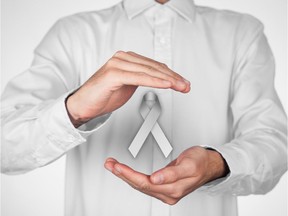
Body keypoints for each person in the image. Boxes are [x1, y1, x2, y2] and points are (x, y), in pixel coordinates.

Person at [1, 0, 287, 215]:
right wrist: (75, 108)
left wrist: (216, 164)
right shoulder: (73, 33)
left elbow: (273, 143)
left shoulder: (242, 33)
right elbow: (5, 148)